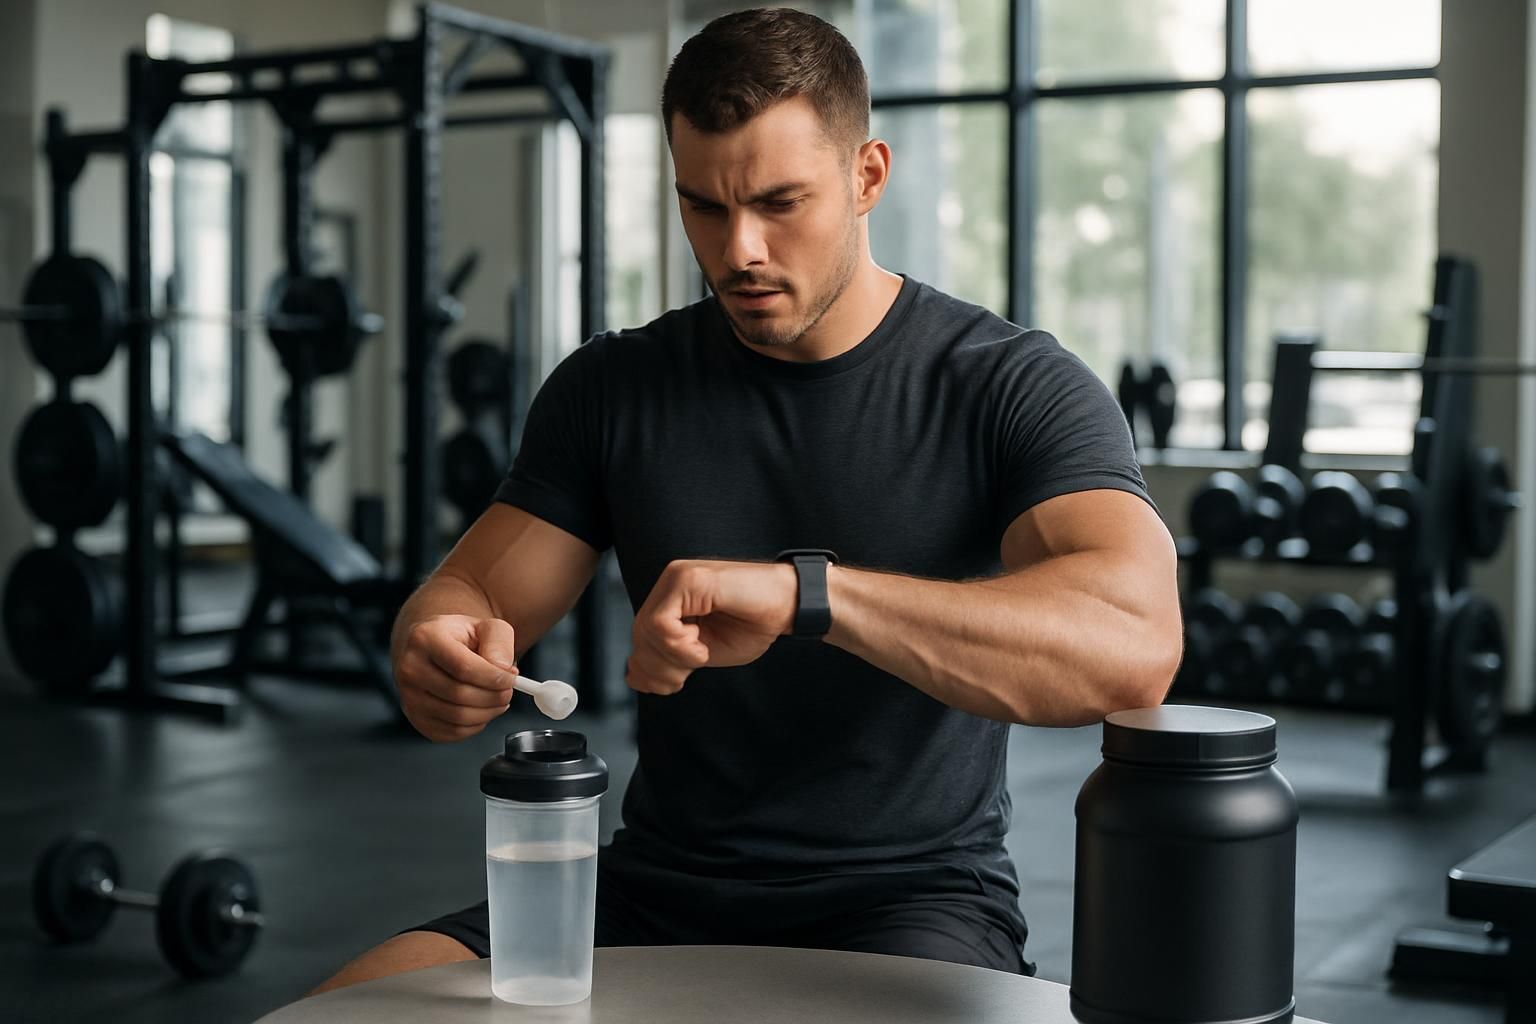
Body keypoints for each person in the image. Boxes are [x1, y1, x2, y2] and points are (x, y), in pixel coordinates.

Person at [310, 6, 1180, 995]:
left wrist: (810, 597)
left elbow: (1134, 647)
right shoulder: (613, 387)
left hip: (909, 903)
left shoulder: (1006, 384)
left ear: (867, 178)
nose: (740, 250)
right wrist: (436, 646)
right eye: (706, 208)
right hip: (652, 891)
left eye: (779, 202)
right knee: (348, 1004)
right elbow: (472, 592)